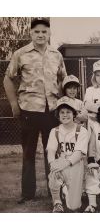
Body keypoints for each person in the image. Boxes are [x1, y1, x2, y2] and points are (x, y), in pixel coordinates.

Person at [3, 17, 67, 203]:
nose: (40, 35)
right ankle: (28, 193)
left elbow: (63, 79)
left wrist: (64, 104)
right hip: (29, 109)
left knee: (53, 151)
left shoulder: (56, 55)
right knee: (28, 152)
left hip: (52, 110)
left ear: (49, 34)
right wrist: (14, 104)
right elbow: (8, 79)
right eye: (36, 32)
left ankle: (53, 191)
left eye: (44, 32)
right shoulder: (20, 54)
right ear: (30, 33)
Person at [47, 96, 88, 212]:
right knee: (54, 171)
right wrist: (52, 164)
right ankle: (57, 202)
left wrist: (63, 164)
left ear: (74, 114)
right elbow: (51, 151)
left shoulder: (82, 130)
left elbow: (79, 153)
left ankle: (65, 189)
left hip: (75, 164)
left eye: (68, 112)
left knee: (74, 206)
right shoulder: (54, 131)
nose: (65, 115)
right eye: (62, 112)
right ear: (58, 115)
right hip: (61, 161)